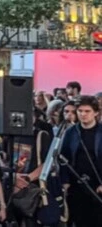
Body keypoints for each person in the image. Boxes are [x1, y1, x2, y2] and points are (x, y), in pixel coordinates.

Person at [60, 95, 102, 227]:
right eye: (80, 111)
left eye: (87, 111)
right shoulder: (71, 132)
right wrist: (65, 181)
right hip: (76, 184)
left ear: (96, 113)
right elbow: (63, 157)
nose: (83, 114)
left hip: (97, 185)